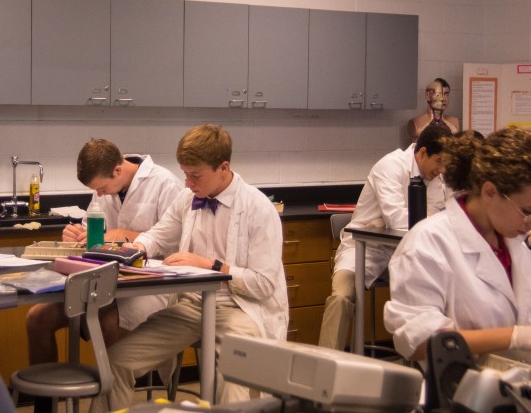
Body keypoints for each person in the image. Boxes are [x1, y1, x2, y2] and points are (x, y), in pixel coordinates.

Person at [89, 124, 288, 410]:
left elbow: (264, 285)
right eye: (185, 173)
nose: (187, 183)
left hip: (241, 308)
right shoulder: (187, 199)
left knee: (231, 377)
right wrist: (135, 249)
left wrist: (212, 265)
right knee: (116, 363)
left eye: (195, 175)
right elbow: (159, 234)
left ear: (223, 167)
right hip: (193, 306)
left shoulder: (258, 208)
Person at [25, 139, 183, 365]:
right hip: (105, 283)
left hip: (151, 286)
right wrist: (78, 234)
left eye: (101, 188)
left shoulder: (165, 184)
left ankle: (113, 399)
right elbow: (92, 229)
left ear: (117, 170)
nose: (99, 193)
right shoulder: (104, 188)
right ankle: (45, 400)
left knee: (107, 323)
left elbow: (173, 240)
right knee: (38, 318)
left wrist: (122, 235)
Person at [384, 127, 531, 362]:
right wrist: (515, 337)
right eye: (526, 211)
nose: (529, 222)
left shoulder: (514, 242)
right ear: (490, 192)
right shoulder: (428, 243)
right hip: (459, 391)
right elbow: (420, 343)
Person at [318, 124, 453, 351]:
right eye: (439, 161)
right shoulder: (390, 166)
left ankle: (431, 367)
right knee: (341, 297)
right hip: (364, 249)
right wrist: (430, 219)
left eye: (445, 164)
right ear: (422, 153)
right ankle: (323, 368)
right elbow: (398, 221)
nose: (441, 170)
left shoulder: (439, 178)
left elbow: (449, 217)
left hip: (407, 252)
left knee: (447, 291)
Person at [407, 78, 460, 144]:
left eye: (446, 94)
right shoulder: (416, 123)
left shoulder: (454, 122)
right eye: (438, 95)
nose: (443, 99)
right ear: (428, 96)